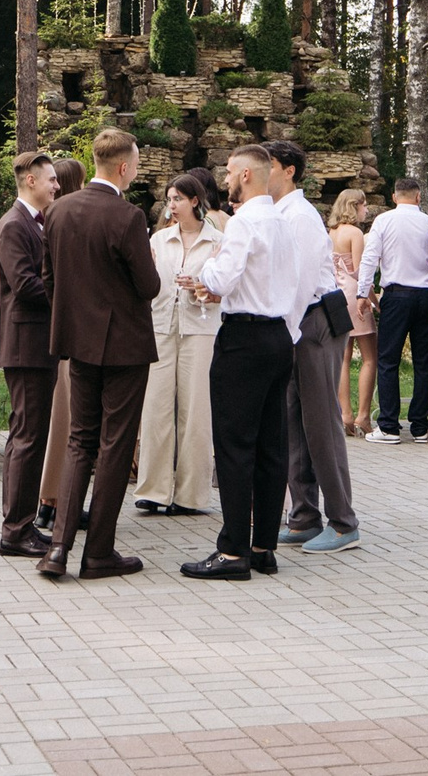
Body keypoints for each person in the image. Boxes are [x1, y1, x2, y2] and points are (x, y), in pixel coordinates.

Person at [35, 130, 160, 581]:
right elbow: (149, 286)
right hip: (124, 346)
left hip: (77, 344)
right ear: (124, 167)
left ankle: (58, 548)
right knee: (114, 445)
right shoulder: (128, 217)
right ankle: (99, 552)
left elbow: (49, 279)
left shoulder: (58, 211)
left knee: (79, 441)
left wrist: (73, 319)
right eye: (138, 163)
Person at [180, 145, 301, 582]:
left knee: (234, 445)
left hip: (244, 338)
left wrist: (208, 273)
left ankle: (232, 552)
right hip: (279, 336)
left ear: (247, 175)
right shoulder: (283, 222)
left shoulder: (246, 222)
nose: (225, 178)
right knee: (272, 445)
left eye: (230, 172)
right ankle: (263, 546)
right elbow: (298, 283)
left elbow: (223, 278)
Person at [271, 141, 361, 555]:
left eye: (266, 166)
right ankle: (304, 515)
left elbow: (303, 281)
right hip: (297, 323)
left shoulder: (301, 217)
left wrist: (283, 333)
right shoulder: (279, 214)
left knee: (321, 422)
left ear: (289, 170)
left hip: (314, 319)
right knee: (294, 420)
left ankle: (343, 523)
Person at [135, 169, 223, 516]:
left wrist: (199, 286)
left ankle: (191, 494)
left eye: (178, 199)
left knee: (196, 411)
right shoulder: (158, 240)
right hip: (159, 327)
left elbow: (222, 290)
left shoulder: (216, 240)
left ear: (194, 201)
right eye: (169, 199)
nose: (171, 205)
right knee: (155, 408)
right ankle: (153, 489)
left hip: (201, 329)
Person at [0, 151, 59, 554]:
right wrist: (69, 291)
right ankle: (16, 531)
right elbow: (26, 285)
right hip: (25, 345)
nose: (56, 185)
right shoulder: (15, 225)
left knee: (27, 436)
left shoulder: (34, 222)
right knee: (27, 438)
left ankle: (21, 525)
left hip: (33, 344)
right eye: (50, 179)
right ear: (30, 181)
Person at [360, 177, 428, 444]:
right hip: (427, 295)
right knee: (424, 362)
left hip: (396, 295)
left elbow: (371, 256)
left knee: (388, 361)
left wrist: (363, 292)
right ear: (418, 197)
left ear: (394, 197)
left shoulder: (383, 221)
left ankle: (389, 426)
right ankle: (420, 426)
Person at [35, 155, 86, 537]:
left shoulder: (51, 221)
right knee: (64, 423)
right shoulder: (61, 224)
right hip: (66, 338)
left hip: (59, 336)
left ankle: (55, 500)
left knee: (63, 422)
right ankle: (52, 501)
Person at [329, 190, 374, 436]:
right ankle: (363, 416)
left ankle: (344, 414)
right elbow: (359, 272)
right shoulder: (355, 233)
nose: (366, 210)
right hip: (354, 296)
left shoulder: (332, 232)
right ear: (354, 205)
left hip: (336, 295)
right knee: (369, 357)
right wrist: (374, 298)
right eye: (364, 205)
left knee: (343, 358)